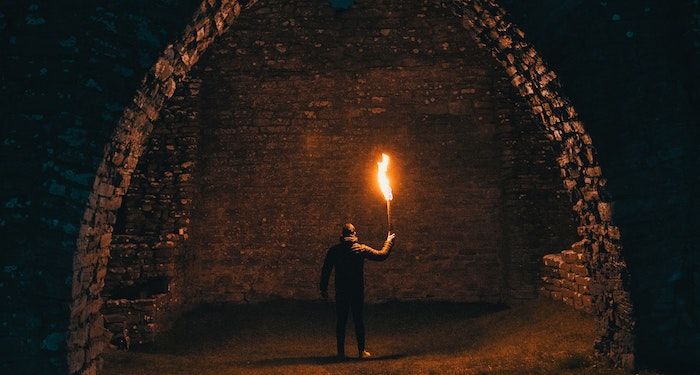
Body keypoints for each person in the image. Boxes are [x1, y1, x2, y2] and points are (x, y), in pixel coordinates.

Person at [320, 223, 396, 359]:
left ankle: (341, 353)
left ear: (342, 235)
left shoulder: (335, 250)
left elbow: (326, 270)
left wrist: (323, 288)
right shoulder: (360, 249)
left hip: (341, 290)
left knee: (341, 321)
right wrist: (389, 242)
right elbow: (382, 255)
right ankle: (361, 351)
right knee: (358, 320)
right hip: (356, 290)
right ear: (354, 234)